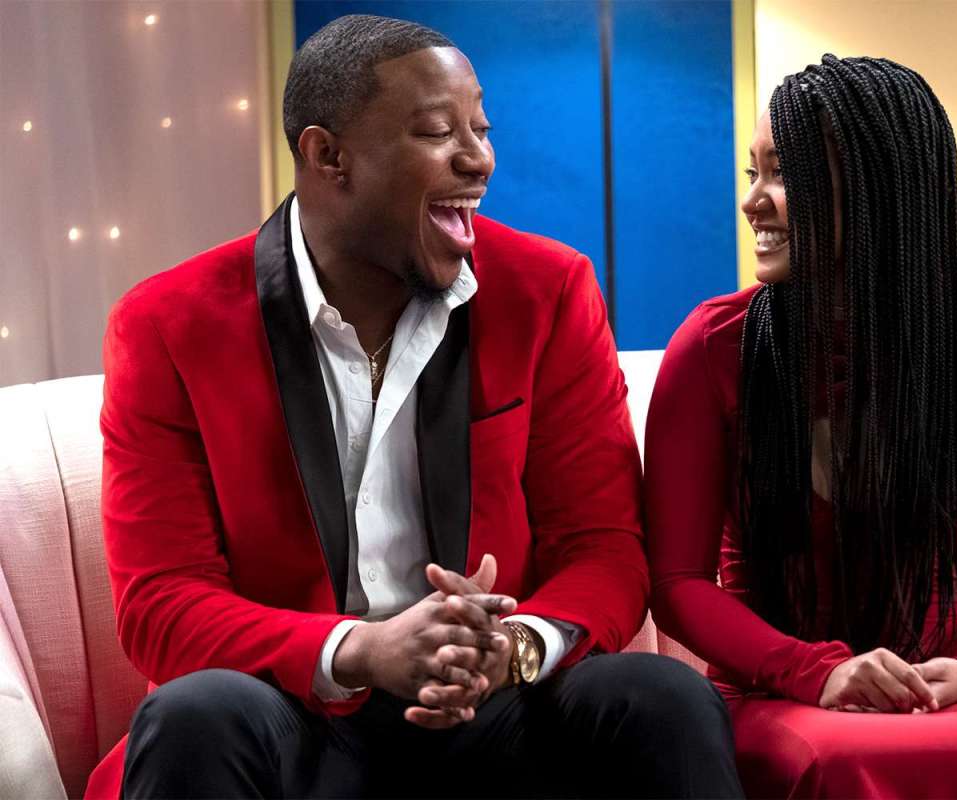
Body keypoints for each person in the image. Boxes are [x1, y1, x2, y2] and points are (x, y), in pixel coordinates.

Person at [89, 15, 742, 800]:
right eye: (438, 132)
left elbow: (605, 548)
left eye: (481, 129)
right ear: (327, 156)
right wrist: (363, 650)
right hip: (297, 710)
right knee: (195, 713)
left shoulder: (549, 291)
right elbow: (162, 603)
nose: (479, 158)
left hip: (500, 708)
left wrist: (511, 646)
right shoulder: (166, 325)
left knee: (661, 697)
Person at [645, 55, 957, 799]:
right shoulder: (714, 346)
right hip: (774, 692)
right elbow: (678, 583)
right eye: (753, 173)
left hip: (934, 691)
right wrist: (816, 671)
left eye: (783, 174)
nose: (753, 202)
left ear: (877, 186)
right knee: (833, 759)